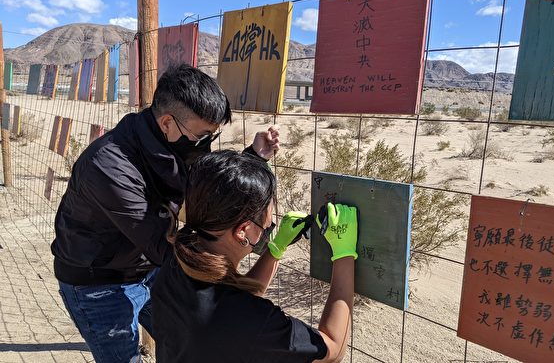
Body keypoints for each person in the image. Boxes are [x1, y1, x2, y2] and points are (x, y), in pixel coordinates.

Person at [51, 64, 280, 363]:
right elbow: (166, 248)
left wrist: (254, 157)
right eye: (201, 136)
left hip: (146, 268)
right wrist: (234, 292)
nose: (205, 145)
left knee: (186, 344)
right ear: (168, 123)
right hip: (98, 283)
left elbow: (204, 187)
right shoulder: (109, 167)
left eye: (212, 135)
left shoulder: (172, 144)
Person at [152, 150, 358, 363]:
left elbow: (235, 301)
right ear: (243, 230)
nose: (269, 222)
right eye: (266, 216)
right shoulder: (255, 321)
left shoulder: (176, 262)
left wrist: (275, 249)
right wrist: (344, 254)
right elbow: (333, 348)